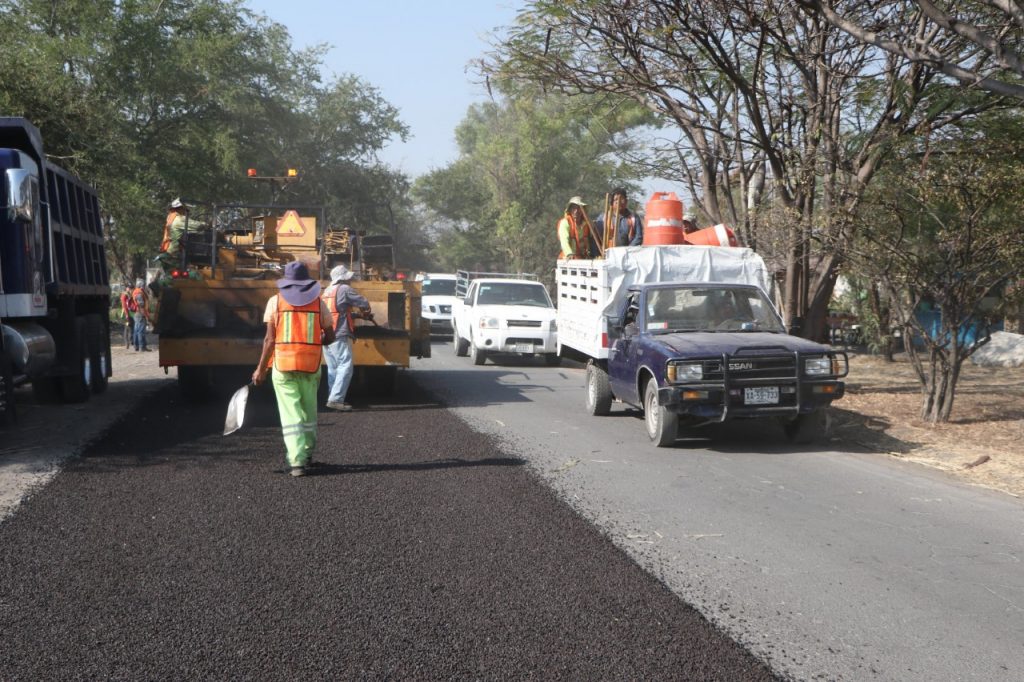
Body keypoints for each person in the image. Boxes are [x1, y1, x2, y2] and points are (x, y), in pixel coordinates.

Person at [252, 261, 336, 477]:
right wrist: (317, 342)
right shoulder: (318, 304)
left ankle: (297, 461)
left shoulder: (275, 302)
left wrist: (260, 369)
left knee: (291, 415)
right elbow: (331, 336)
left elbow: (270, 340)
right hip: (311, 366)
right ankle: (307, 454)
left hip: (284, 367)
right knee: (309, 411)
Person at [321, 264, 371, 412]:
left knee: (333, 368)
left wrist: (355, 315)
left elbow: (336, 311)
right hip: (339, 333)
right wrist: (365, 311)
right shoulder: (344, 289)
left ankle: (332, 397)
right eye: (348, 278)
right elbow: (364, 302)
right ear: (343, 279)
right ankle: (336, 399)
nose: (350, 281)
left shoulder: (327, 291)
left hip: (326, 334)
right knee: (345, 366)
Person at [156, 198, 206, 272]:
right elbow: (198, 226)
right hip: (175, 254)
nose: (186, 212)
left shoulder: (170, 218)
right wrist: (208, 224)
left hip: (168, 251)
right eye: (185, 210)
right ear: (180, 209)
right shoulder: (179, 219)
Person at [130, 279, 151, 351]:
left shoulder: (137, 291)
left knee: (136, 330)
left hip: (138, 313)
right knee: (141, 331)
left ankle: (136, 346)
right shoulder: (139, 292)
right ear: (141, 285)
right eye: (144, 285)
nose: (144, 286)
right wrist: (144, 314)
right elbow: (141, 304)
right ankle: (142, 347)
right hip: (140, 313)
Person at [119, 283, 133, 349]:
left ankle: (130, 342)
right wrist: (127, 315)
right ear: (127, 288)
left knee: (129, 327)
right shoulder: (124, 295)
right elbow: (124, 306)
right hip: (125, 313)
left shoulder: (128, 294)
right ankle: (127, 343)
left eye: (131, 288)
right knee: (127, 328)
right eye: (129, 288)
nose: (130, 289)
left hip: (128, 313)